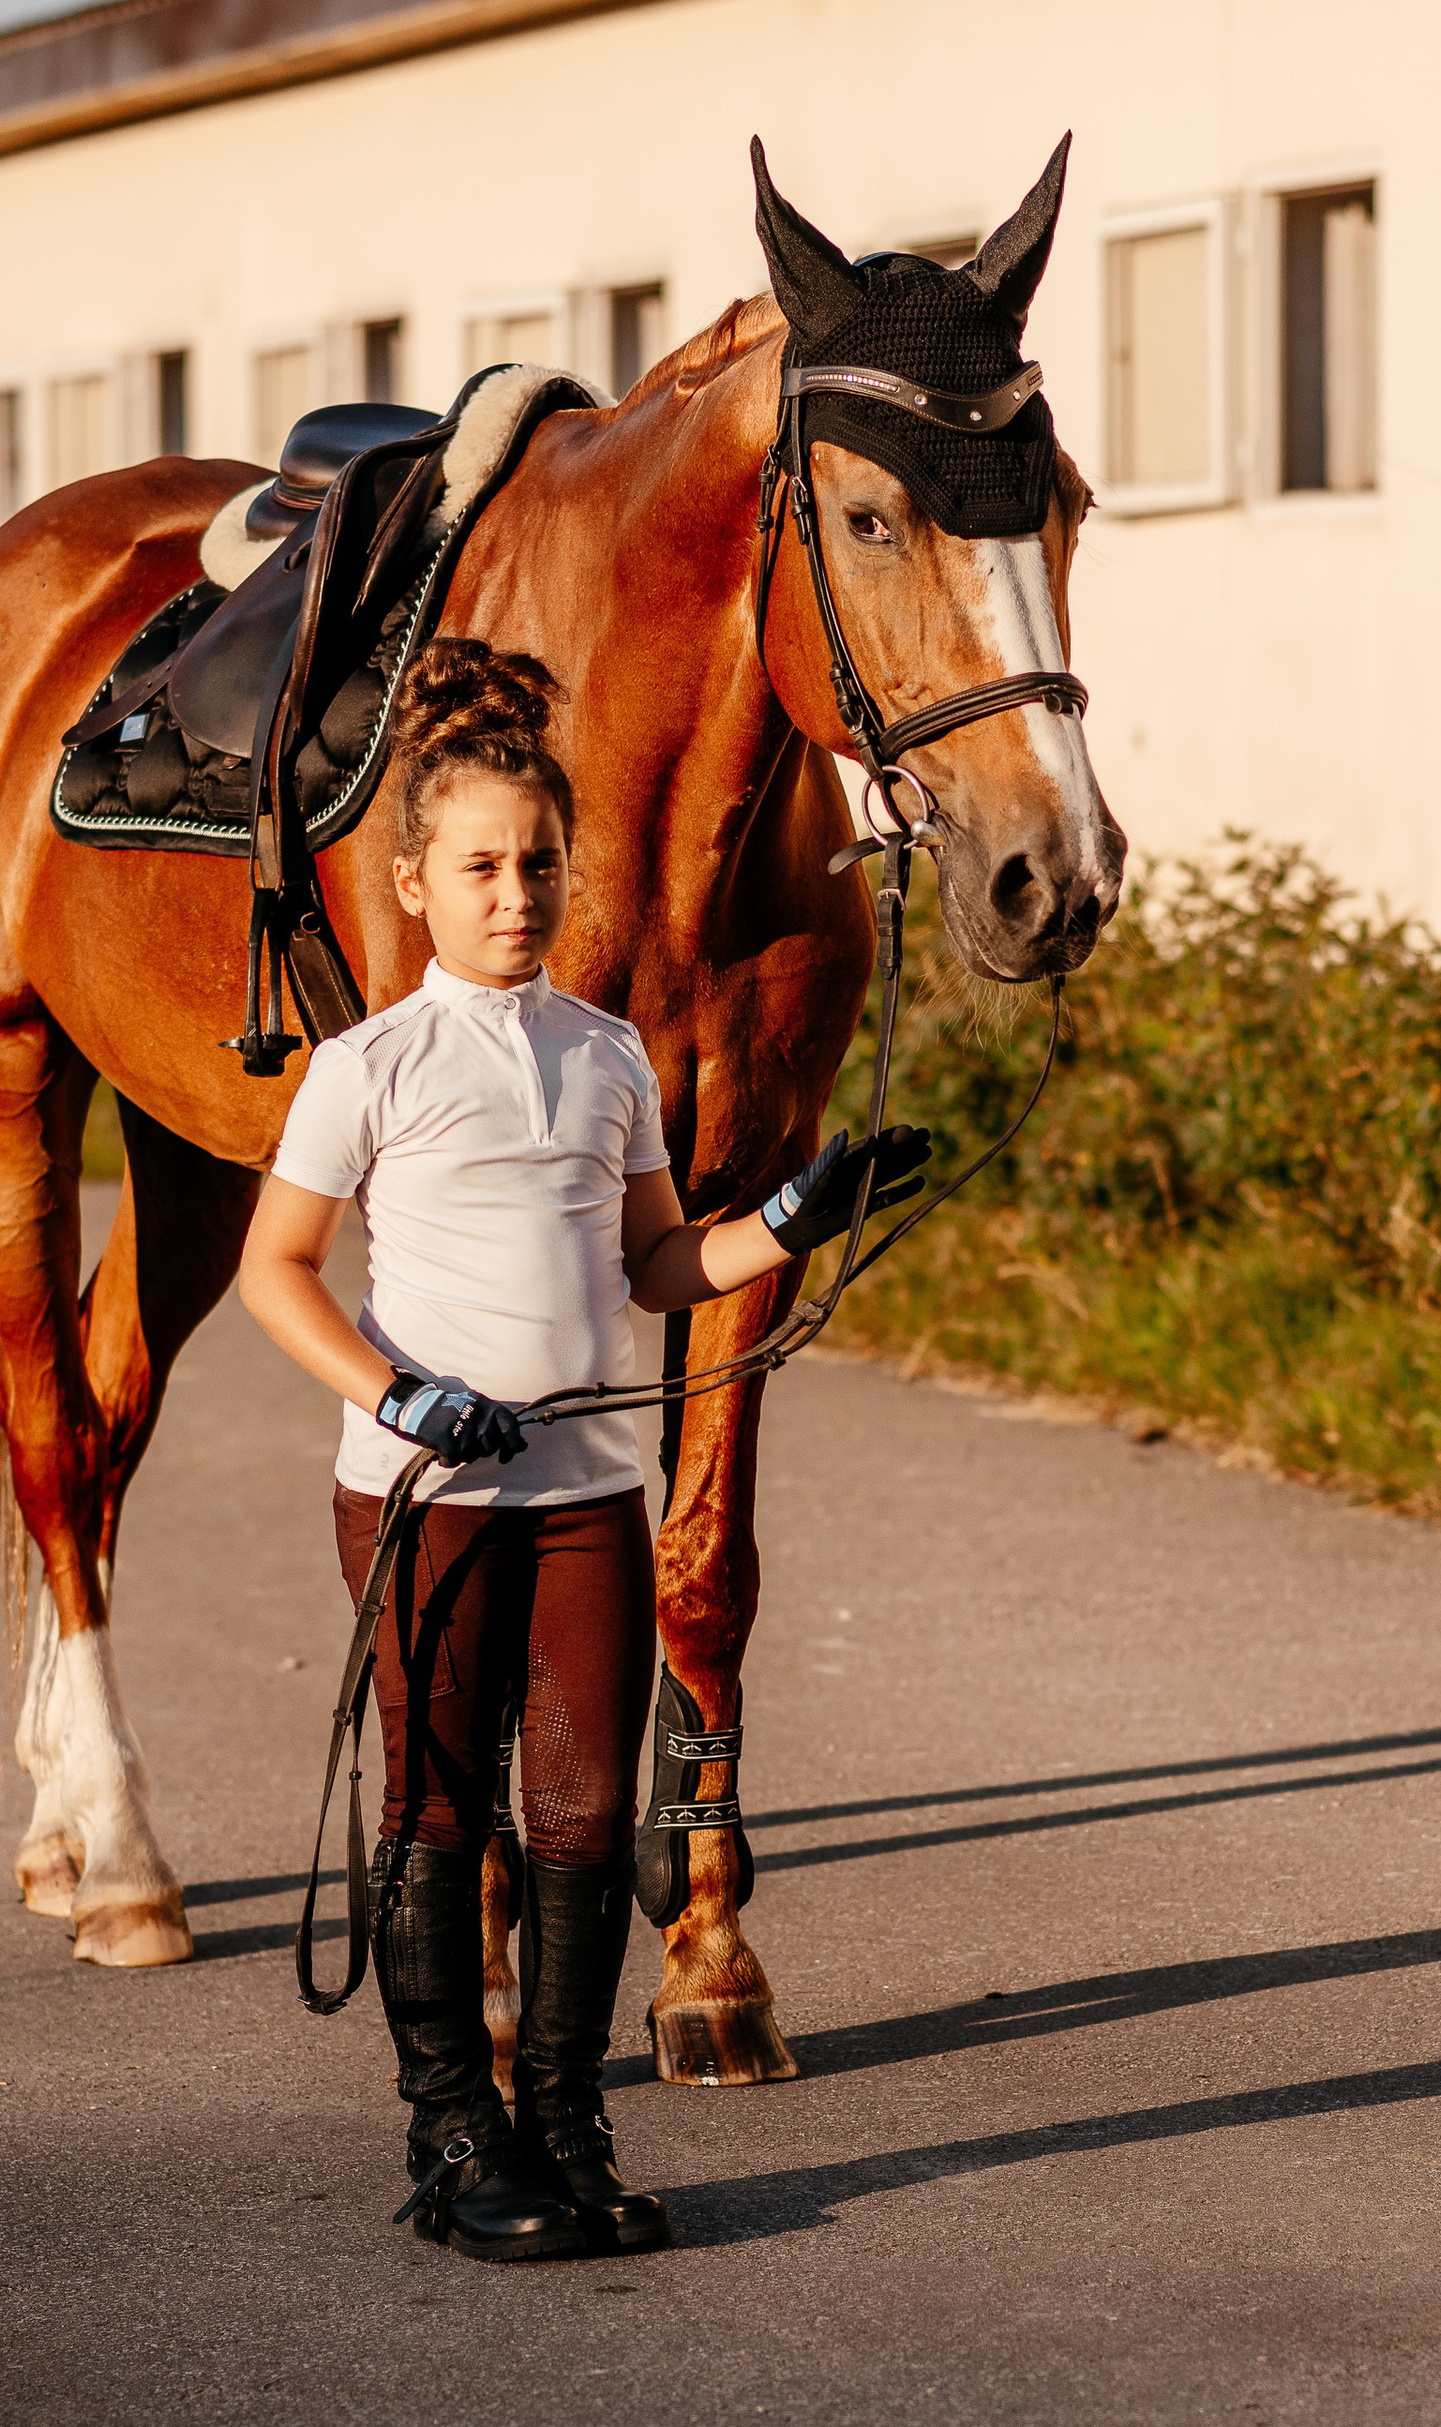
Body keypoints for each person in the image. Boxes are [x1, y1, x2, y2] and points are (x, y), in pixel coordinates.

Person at [237, 642, 926, 2265]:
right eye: (481, 866)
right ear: (414, 886)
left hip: (584, 1492)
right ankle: (452, 2139)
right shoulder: (368, 1069)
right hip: (426, 1495)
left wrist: (792, 1218)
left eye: (540, 863)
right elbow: (276, 1270)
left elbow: (656, 1269)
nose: (517, 893)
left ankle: (563, 2121)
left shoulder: (607, 1056)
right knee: (437, 1809)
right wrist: (396, 1397)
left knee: (575, 1816)